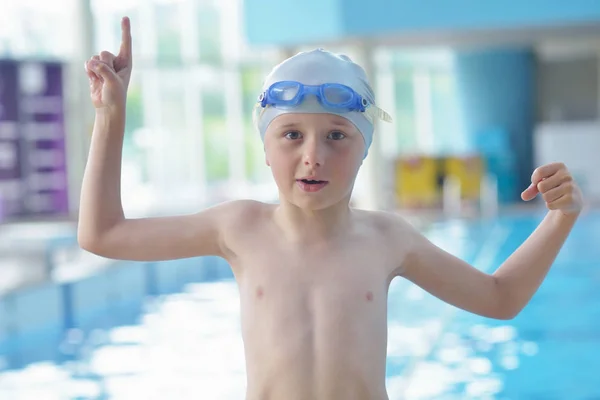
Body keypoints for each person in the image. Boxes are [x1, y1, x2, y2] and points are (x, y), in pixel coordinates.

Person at [78, 17, 584, 400]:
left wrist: (560, 218)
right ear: (265, 145)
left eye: (337, 136)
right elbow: (102, 234)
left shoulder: (389, 239)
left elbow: (500, 298)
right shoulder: (239, 227)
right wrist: (110, 116)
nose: (313, 156)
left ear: (365, 149)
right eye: (292, 135)